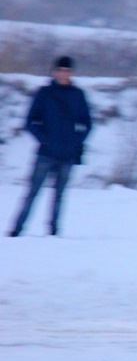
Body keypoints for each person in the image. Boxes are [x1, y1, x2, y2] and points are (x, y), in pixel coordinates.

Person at [8, 56, 92, 237]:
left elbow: (87, 123)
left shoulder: (78, 95)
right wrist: (43, 139)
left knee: (59, 196)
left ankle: (53, 232)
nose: (63, 74)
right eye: (60, 70)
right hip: (46, 153)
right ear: (54, 72)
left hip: (67, 154)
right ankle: (17, 230)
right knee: (32, 193)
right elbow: (30, 121)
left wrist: (76, 141)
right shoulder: (44, 93)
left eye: (67, 71)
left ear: (71, 73)